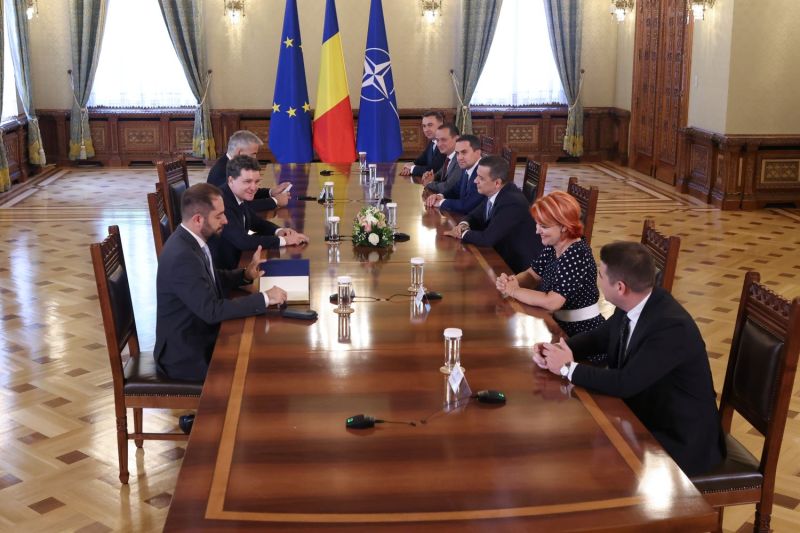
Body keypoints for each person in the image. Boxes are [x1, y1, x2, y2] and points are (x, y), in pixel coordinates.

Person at [535, 241, 725, 477]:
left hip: (679, 438)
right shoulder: (635, 302)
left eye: (601, 275)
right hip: (643, 414)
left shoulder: (671, 327)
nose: (597, 279)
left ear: (620, 287)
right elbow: (600, 337)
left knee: (586, 462)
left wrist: (567, 368)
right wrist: (555, 350)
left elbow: (625, 383)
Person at [155, 183, 287, 382]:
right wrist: (264, 298)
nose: (225, 220)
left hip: (201, 334)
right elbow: (212, 311)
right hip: (186, 356)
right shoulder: (182, 256)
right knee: (260, 369)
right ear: (198, 219)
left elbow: (209, 276)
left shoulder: (190, 239)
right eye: (219, 216)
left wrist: (245, 274)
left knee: (264, 351)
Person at [496, 191, 604, 340]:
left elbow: (552, 302)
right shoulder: (554, 245)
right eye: (537, 224)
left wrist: (514, 291)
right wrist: (511, 282)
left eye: (544, 226)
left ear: (564, 227)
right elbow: (532, 275)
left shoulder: (577, 253)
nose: (537, 231)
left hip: (581, 333)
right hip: (558, 325)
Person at [444, 155, 541, 273]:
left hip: (519, 267)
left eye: (481, 178)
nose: (475, 181)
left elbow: (487, 239)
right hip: (500, 254)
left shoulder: (511, 202)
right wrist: (463, 225)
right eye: (477, 176)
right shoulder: (496, 191)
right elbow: (474, 215)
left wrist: (461, 233)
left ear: (497, 183)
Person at [212, 155, 309, 270]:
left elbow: (255, 221)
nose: (254, 188)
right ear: (231, 180)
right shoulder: (222, 202)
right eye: (247, 181)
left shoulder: (237, 194)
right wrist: (284, 241)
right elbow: (243, 241)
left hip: (237, 260)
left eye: (257, 181)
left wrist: (278, 231)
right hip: (225, 271)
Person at [207, 130, 290, 211]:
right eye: (253, 154)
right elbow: (239, 206)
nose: (255, 158)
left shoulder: (230, 163)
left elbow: (246, 191)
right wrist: (275, 201)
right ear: (239, 152)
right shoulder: (221, 172)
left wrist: (271, 192)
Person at [424, 134, 484, 215]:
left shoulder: (483, 173)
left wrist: (441, 202)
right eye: (457, 153)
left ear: (477, 153)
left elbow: (467, 206)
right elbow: (455, 190)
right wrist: (440, 196)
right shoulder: (467, 167)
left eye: (464, 152)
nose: (459, 158)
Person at [399, 111, 445, 177]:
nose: (426, 130)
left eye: (430, 125)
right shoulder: (432, 142)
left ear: (441, 125)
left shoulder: (445, 144)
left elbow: (433, 170)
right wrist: (409, 166)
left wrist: (411, 168)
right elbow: (421, 160)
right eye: (424, 126)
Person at [421, 123, 461, 195]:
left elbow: (447, 187)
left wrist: (429, 183)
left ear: (457, 139)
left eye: (443, 140)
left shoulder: (461, 160)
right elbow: (438, 175)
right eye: (437, 140)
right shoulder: (449, 157)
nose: (439, 144)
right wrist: (430, 177)